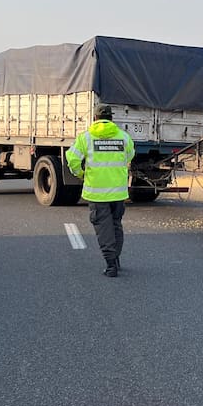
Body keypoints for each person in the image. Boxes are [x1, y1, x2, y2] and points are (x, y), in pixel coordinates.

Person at [66, 104, 135, 277]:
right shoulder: (124, 137)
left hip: (97, 193)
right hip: (118, 193)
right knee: (115, 225)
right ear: (111, 118)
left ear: (95, 118)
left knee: (103, 228)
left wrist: (80, 173)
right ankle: (116, 259)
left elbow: (72, 158)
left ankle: (111, 265)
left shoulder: (86, 138)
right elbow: (130, 155)